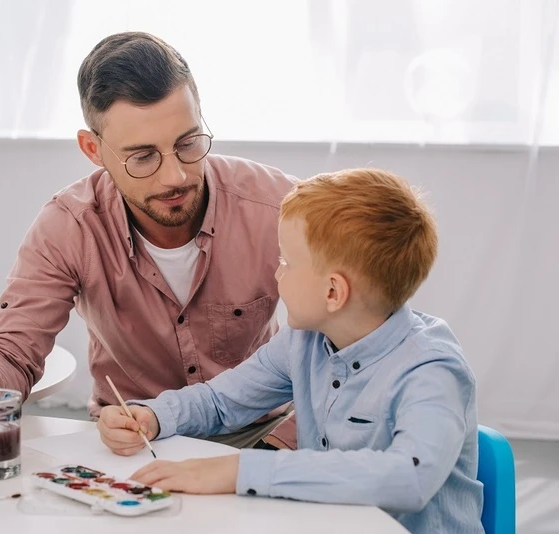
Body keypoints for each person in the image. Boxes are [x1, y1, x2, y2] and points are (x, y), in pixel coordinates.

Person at [0, 31, 299, 449]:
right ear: (92, 148)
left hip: (262, 434)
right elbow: (14, 351)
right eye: (143, 157)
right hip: (130, 443)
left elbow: (361, 340)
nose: (176, 176)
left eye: (188, 143)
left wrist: (278, 450)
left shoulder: (280, 207)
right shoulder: (69, 227)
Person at [97, 168, 484, 534]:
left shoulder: (433, 370)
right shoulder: (306, 339)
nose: (276, 273)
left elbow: (409, 476)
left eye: (285, 261)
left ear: (333, 292)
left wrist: (241, 470)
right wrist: (152, 415)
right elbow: (222, 401)